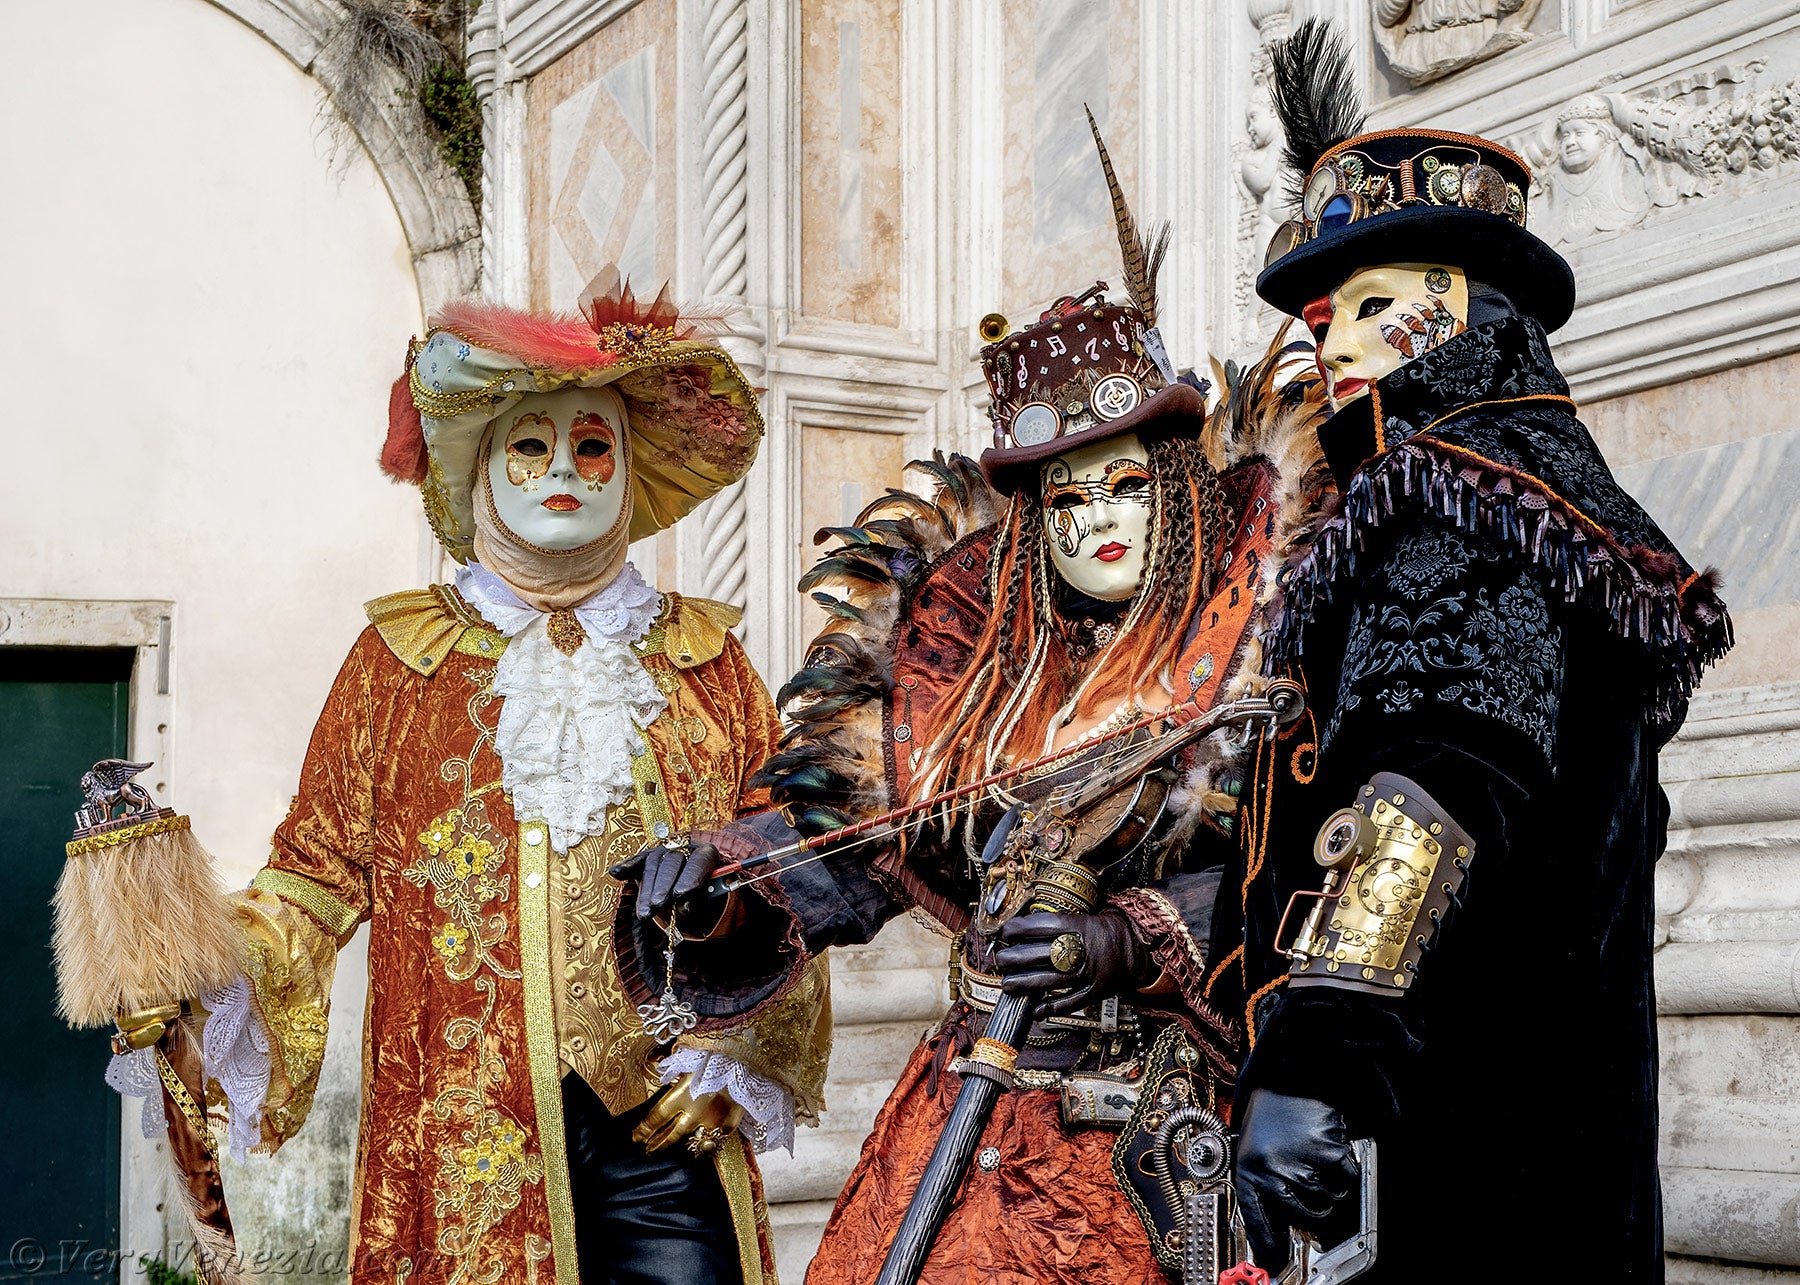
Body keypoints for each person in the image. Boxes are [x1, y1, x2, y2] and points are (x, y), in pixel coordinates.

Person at [614, 127, 1332, 1283]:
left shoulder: (1264, 646)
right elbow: (843, 845)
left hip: (1156, 1132)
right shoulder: (974, 678)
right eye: (1067, 497)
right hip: (963, 1116)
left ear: (1177, 491)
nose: (1098, 518)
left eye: (1126, 484)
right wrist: (720, 881)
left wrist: (1131, 937)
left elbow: (1307, 869)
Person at [95, 278, 829, 1285]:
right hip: (461, 1142)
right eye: (530, 443)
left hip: (667, 1132)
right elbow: (312, 878)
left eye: (593, 445)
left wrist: (737, 1053)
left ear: (627, 469)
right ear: (482, 467)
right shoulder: (399, 666)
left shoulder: (706, 665)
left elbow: (790, 866)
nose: (562, 467)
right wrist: (207, 972)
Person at [1211, 21, 1734, 1282]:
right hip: (1552, 1116)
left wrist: (1318, 1063)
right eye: (1325, 319)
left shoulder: (1453, 496)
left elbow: (1435, 783)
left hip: (1467, 1144)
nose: (1333, 348)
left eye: (1373, 306)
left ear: (1474, 316)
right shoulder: (1556, 505)